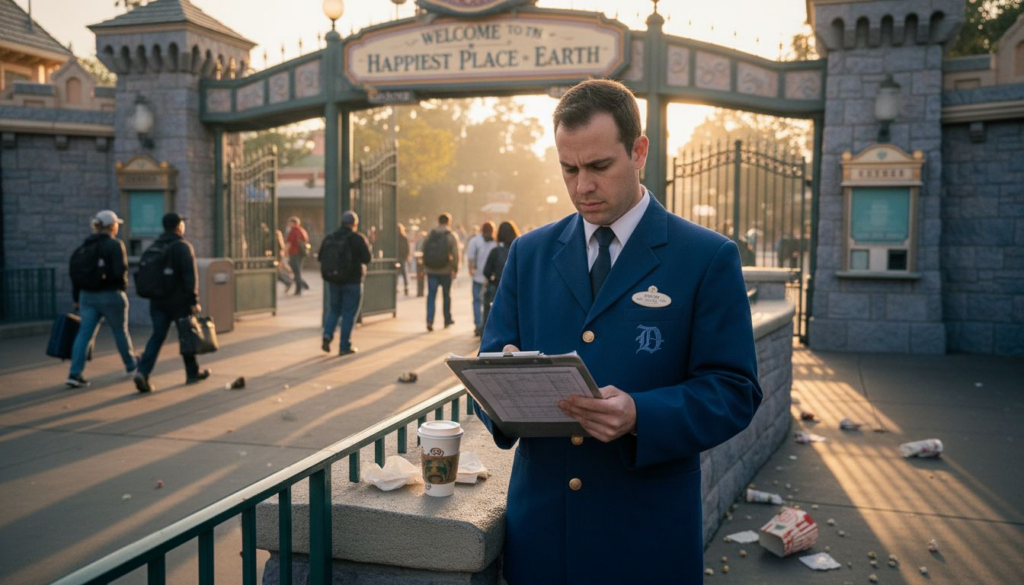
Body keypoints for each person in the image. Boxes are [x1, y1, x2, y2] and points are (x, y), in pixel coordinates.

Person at [477, 79, 762, 584]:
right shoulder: (528, 253)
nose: (581, 186)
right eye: (569, 169)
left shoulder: (706, 256)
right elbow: (490, 367)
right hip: (543, 536)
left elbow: (735, 390)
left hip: (645, 537)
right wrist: (504, 389)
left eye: (599, 166)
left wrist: (640, 415)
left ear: (638, 151)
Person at [133, 213, 211, 393]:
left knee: (157, 336)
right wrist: (194, 301)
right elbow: (189, 276)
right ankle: (192, 373)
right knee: (186, 336)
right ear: (179, 226)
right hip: (179, 302)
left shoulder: (155, 246)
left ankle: (142, 372)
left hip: (157, 301)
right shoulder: (182, 247)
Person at [65, 210, 138, 388]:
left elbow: (75, 275)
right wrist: (121, 290)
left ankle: (75, 374)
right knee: (120, 331)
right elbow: (121, 271)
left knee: (84, 335)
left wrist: (76, 298)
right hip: (111, 294)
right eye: (116, 225)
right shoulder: (115, 245)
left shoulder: (84, 247)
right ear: (112, 226)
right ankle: (131, 365)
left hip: (86, 296)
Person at [319, 211, 371, 356]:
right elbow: (367, 258)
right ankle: (344, 345)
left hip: (334, 280)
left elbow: (321, 257)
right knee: (349, 313)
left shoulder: (331, 237)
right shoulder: (357, 239)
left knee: (334, 310)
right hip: (353, 281)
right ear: (354, 224)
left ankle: (327, 335)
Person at [422, 213, 460, 331]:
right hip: (445, 270)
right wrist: (455, 268)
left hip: (431, 270)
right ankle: (447, 319)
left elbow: (423, 248)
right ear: (448, 222)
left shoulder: (431, 234)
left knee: (431, 295)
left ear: (438, 221)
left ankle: (429, 320)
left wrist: (425, 266)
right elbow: (455, 253)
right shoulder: (451, 235)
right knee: (446, 295)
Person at [481, 220, 518, 333]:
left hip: (496, 287)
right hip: (516, 289)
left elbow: (486, 271)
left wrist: (493, 280)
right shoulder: (518, 250)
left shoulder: (495, 251)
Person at [466, 221, 497, 337]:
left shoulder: (475, 241)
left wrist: (471, 270)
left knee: (476, 300)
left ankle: (478, 324)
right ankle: (485, 325)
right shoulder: (495, 242)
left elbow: (471, 258)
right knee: (488, 303)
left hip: (477, 276)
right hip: (490, 278)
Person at [285, 216, 310, 295]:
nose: (288, 224)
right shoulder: (302, 230)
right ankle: (302, 286)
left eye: (290, 223)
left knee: (296, 272)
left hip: (294, 253)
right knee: (298, 270)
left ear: (293, 223)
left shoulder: (293, 231)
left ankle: (299, 288)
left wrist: (285, 251)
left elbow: (289, 242)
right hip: (300, 253)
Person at [397, 223, 410, 296]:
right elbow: (407, 248)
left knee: (401, 273)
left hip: (400, 257)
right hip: (401, 257)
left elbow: (407, 248)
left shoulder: (398, 238)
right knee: (402, 273)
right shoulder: (403, 238)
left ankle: (405, 287)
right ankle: (405, 287)